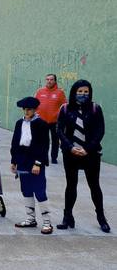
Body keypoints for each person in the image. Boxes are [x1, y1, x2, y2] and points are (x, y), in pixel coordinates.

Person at [56, 79, 109, 233]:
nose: (83, 94)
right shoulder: (65, 109)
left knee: (94, 186)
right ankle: (67, 217)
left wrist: (87, 149)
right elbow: (59, 130)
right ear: (74, 92)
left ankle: (101, 217)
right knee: (71, 185)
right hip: (70, 153)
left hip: (90, 154)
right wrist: (70, 147)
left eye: (86, 92)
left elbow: (100, 131)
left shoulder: (95, 109)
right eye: (80, 92)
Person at [11, 97, 52, 234]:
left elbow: (44, 146)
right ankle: (30, 219)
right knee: (26, 190)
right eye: (25, 109)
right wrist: (14, 161)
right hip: (22, 160)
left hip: (35, 161)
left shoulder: (41, 124)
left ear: (35, 110)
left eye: (29, 109)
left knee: (39, 191)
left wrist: (38, 163)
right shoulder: (19, 123)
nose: (27, 111)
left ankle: (47, 222)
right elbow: (15, 143)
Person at [35, 74, 67, 164]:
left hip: (55, 122)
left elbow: (64, 107)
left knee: (55, 141)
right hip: (42, 121)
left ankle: (54, 158)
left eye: (51, 79)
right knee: (43, 141)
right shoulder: (40, 91)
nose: (49, 81)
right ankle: (43, 157)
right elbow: (35, 104)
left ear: (55, 81)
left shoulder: (60, 93)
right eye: (47, 79)